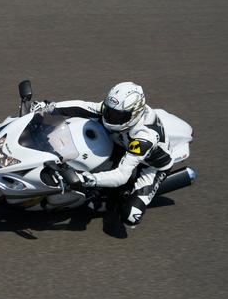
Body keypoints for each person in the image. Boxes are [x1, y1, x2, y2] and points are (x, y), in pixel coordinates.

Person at [45, 82, 174, 227]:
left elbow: (121, 175)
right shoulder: (116, 110)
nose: (111, 118)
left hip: (150, 167)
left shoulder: (144, 138)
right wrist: (50, 107)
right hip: (122, 143)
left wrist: (89, 179)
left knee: (130, 216)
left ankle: (118, 198)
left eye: (118, 116)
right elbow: (83, 106)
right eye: (109, 112)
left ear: (135, 113)